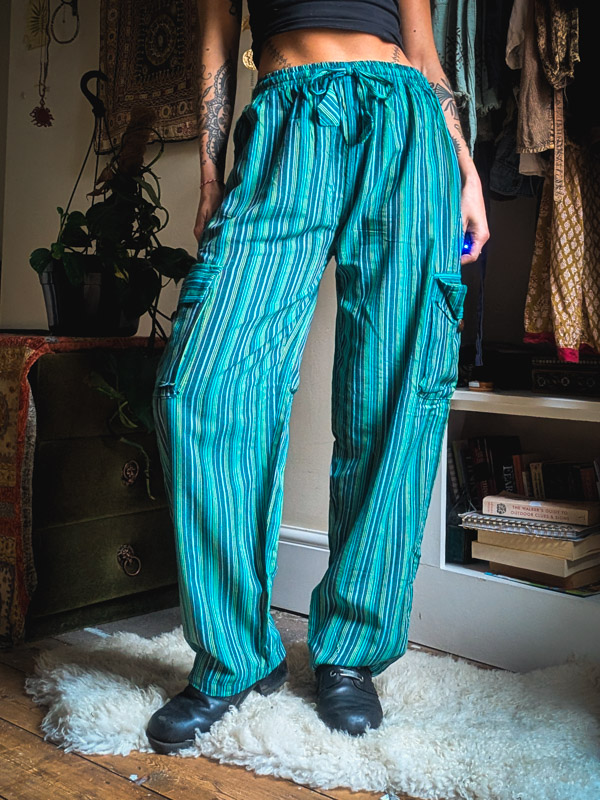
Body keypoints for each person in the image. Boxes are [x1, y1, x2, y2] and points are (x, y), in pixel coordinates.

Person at [147, 0, 489, 753]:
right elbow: (216, 42)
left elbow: (424, 49)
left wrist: (466, 170)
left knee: (395, 391)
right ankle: (235, 655)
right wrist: (210, 175)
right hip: (285, 120)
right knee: (203, 386)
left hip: (403, 122)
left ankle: (352, 649)